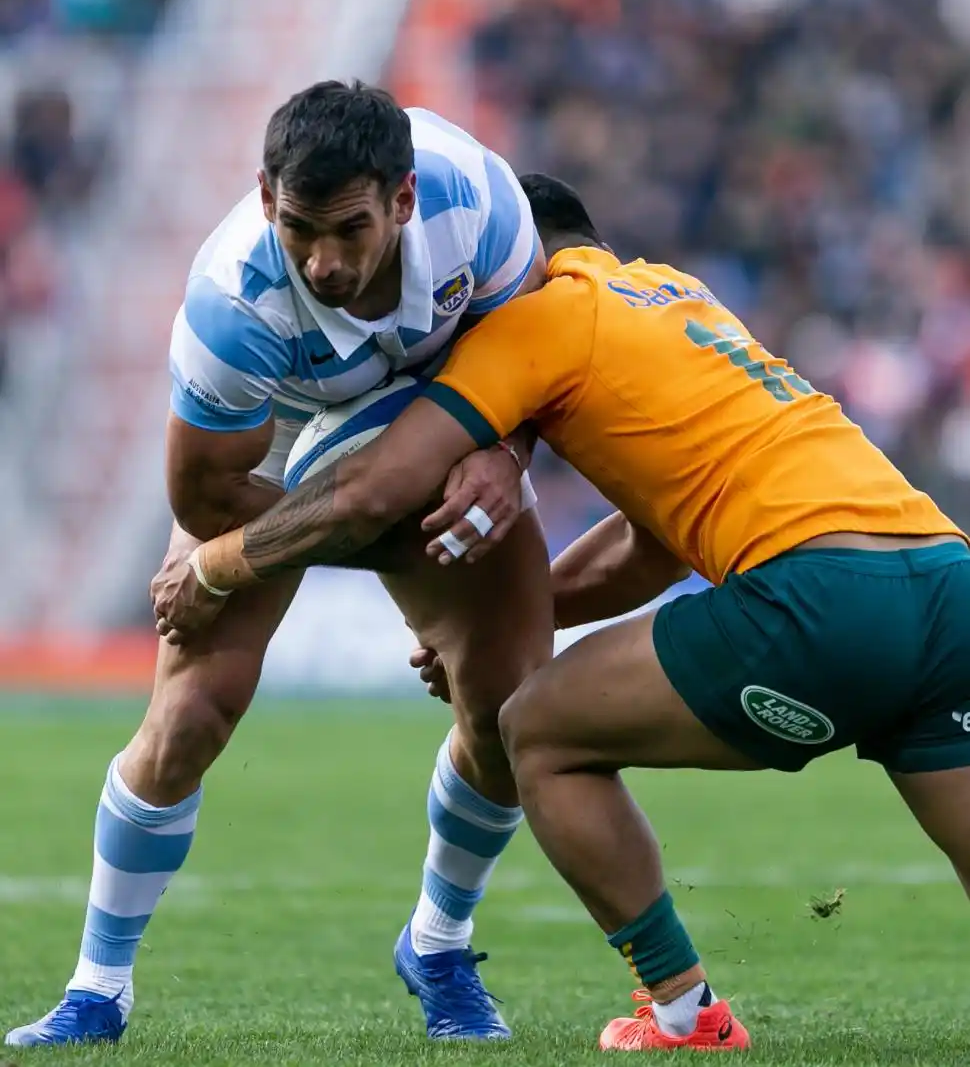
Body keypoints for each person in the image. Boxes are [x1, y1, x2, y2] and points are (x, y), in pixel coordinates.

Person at [151, 172, 970, 1053]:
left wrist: (218, 563)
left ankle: (685, 1014)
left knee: (535, 729)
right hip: (944, 576)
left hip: (821, 599)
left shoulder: (540, 314)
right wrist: (515, 620)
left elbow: (376, 486)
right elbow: (651, 547)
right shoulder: (677, 295)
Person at [5, 84, 556, 1048]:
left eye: (349, 229)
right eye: (299, 228)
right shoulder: (232, 303)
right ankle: (97, 988)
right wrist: (371, 520)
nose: (323, 262)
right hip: (270, 447)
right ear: (266, 198)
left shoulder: (484, 206)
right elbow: (206, 502)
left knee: (509, 710)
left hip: (445, 409)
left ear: (404, 199)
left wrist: (505, 457)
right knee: (190, 712)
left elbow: (544, 359)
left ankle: (438, 945)